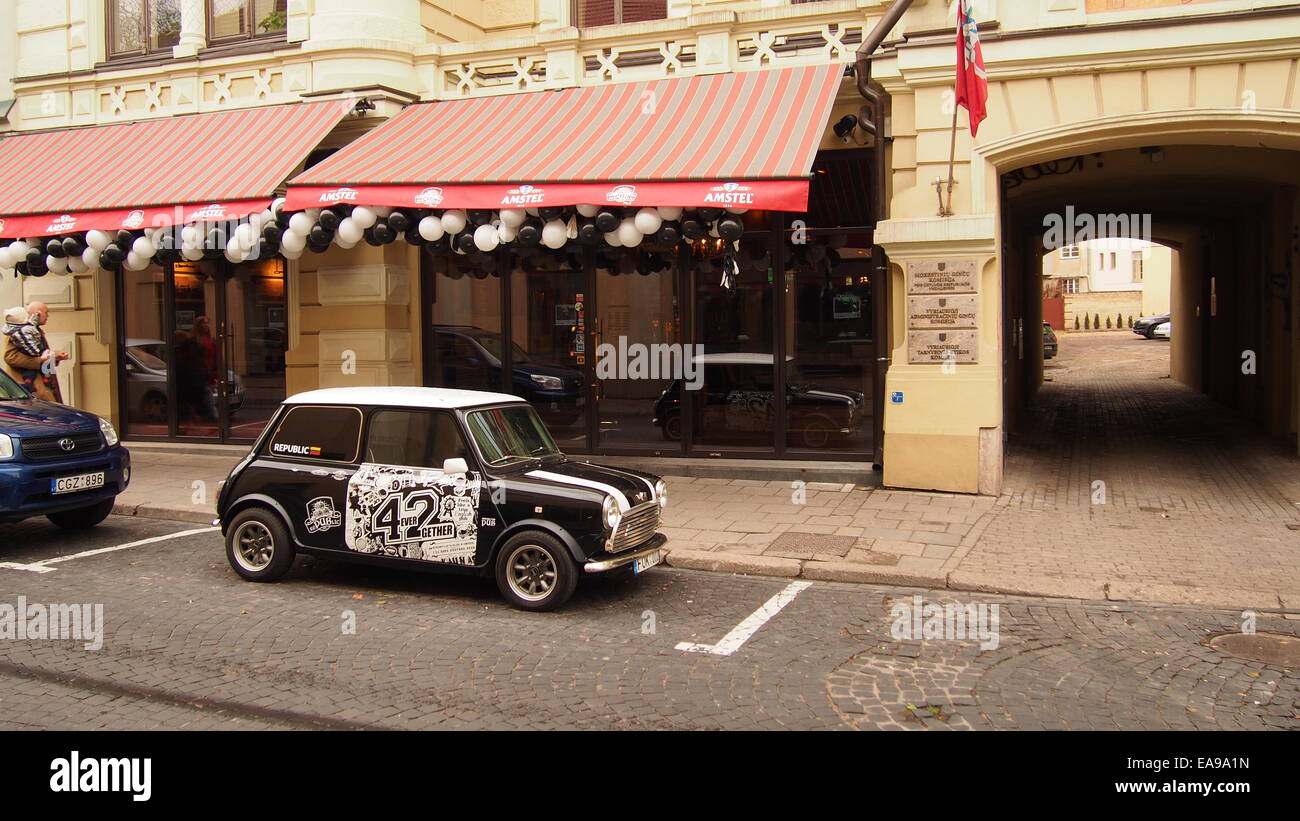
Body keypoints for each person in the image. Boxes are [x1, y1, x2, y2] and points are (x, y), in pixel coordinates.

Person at [3, 301, 67, 402]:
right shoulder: (18, 332)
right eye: (46, 313)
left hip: (43, 382)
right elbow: (11, 358)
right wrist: (40, 360)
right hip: (29, 385)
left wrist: (55, 358)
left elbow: (39, 353)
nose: (47, 316)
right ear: (38, 313)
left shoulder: (33, 330)